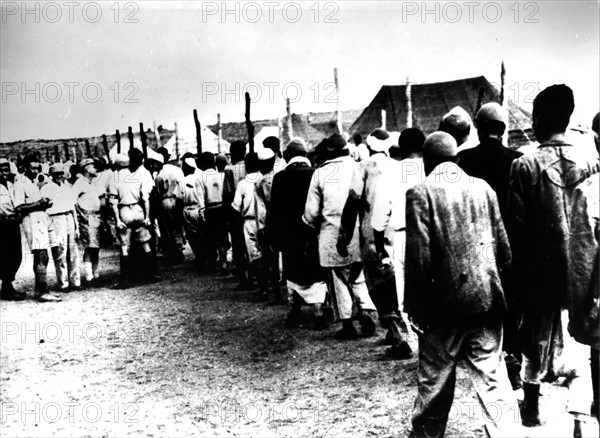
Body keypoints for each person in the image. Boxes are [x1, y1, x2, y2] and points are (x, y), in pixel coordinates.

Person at [405, 132, 515, 438]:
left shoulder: (420, 192)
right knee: (492, 380)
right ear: (456, 159)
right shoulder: (484, 188)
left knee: (434, 381)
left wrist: (414, 307)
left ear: (427, 163)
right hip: (486, 301)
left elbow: (419, 257)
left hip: (442, 307)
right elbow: (504, 251)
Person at [506, 85, 600, 429]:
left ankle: (531, 406)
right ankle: (578, 422)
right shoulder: (591, 162)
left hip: (539, 272)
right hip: (583, 271)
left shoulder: (524, 166)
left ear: (539, 118)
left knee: (535, 339)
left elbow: (515, 228)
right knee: (580, 346)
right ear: (569, 116)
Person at [458, 102, 524, 389]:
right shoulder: (517, 159)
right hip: (509, 243)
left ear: (478, 127)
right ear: (504, 128)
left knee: (481, 303)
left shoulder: (463, 160)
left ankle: (486, 361)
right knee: (510, 302)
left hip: (475, 243)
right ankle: (514, 361)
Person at [303, 134, 377, 340]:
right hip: (360, 232)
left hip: (331, 234)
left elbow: (311, 213)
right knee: (359, 276)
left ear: (327, 151)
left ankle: (347, 324)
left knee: (338, 280)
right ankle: (366, 310)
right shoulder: (360, 167)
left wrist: (313, 228)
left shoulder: (320, 174)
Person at [337, 128, 403, 352]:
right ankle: (398, 322)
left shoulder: (363, 167)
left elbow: (353, 201)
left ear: (369, 146)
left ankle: (393, 327)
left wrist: (343, 234)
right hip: (401, 228)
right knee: (398, 275)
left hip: (373, 230)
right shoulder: (399, 166)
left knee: (377, 278)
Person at [371, 127, 426, 357]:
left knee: (406, 294)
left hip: (403, 236)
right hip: (431, 233)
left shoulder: (392, 173)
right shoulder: (430, 168)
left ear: (400, 149)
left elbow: (380, 215)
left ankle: (415, 342)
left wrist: (380, 247)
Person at [270, 138, 328, 329]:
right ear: (305, 155)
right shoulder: (316, 174)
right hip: (312, 231)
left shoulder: (280, 177)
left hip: (289, 234)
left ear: (287, 155)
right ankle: (319, 310)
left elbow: (274, 211)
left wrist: (274, 237)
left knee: (292, 271)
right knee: (315, 270)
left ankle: (295, 310)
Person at [13, 152, 62, 302]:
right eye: (32, 168)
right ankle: (42, 291)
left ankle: (40, 289)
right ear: (24, 167)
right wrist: (38, 204)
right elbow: (19, 207)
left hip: (42, 217)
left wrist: (44, 203)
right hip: (32, 220)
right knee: (41, 254)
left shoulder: (33, 181)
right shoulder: (20, 183)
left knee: (45, 255)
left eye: (37, 168)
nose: (35, 171)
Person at [108, 153, 157, 288]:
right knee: (145, 244)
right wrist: (147, 216)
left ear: (116, 165)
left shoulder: (114, 180)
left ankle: (125, 280)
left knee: (125, 247)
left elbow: (113, 203)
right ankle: (152, 275)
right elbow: (145, 198)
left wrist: (118, 220)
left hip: (125, 212)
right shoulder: (136, 177)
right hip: (139, 210)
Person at [40, 163, 81, 292]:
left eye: (61, 174)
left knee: (73, 251)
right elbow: (44, 209)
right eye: (56, 174)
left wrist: (77, 226)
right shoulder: (46, 188)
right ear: (51, 175)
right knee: (60, 251)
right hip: (56, 219)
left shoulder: (67, 188)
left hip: (68, 218)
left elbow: (73, 207)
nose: (59, 176)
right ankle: (63, 283)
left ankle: (75, 281)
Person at [253, 148, 282, 301]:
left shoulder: (259, 183)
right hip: (282, 219)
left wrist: (261, 228)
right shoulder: (280, 177)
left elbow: (261, 208)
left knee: (268, 257)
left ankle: (268, 289)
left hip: (269, 221)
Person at [71, 158, 104, 285]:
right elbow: (72, 201)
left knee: (95, 247)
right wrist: (80, 216)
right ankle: (90, 277)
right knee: (90, 247)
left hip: (96, 217)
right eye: (93, 166)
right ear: (86, 168)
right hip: (87, 218)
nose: (96, 169)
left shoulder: (91, 183)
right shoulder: (80, 183)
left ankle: (96, 274)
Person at [231, 152, 260, 289]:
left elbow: (236, 207)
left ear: (246, 167)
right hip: (264, 220)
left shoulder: (243, 184)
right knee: (266, 252)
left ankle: (256, 282)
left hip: (249, 221)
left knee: (253, 253)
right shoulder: (265, 179)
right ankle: (268, 282)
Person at [223, 141, 249, 288]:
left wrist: (227, 215)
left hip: (235, 211)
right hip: (251, 209)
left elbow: (226, 194)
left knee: (238, 245)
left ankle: (244, 279)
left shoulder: (229, 169)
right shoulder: (250, 166)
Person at [198, 152, 230, 275]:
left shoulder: (200, 177)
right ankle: (224, 264)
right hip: (221, 208)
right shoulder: (220, 175)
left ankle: (212, 266)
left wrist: (202, 213)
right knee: (222, 238)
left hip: (209, 209)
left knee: (210, 238)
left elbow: (200, 198)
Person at [0, 158, 26, 301]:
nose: (4, 173)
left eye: (6, 170)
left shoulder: (11, 185)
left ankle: (7, 285)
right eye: (1, 170)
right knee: (3, 255)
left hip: (13, 223)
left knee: (15, 254)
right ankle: (7, 288)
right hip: (1, 224)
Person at [154, 152, 185, 265]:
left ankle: (174, 253)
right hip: (174, 200)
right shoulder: (171, 174)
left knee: (167, 229)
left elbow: (158, 193)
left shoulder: (159, 177)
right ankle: (179, 249)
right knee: (175, 227)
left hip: (165, 201)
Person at [178, 155, 206, 269]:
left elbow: (179, 198)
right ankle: (204, 256)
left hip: (187, 210)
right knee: (202, 234)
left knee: (192, 236)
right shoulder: (200, 179)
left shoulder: (182, 181)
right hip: (199, 208)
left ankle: (199, 257)